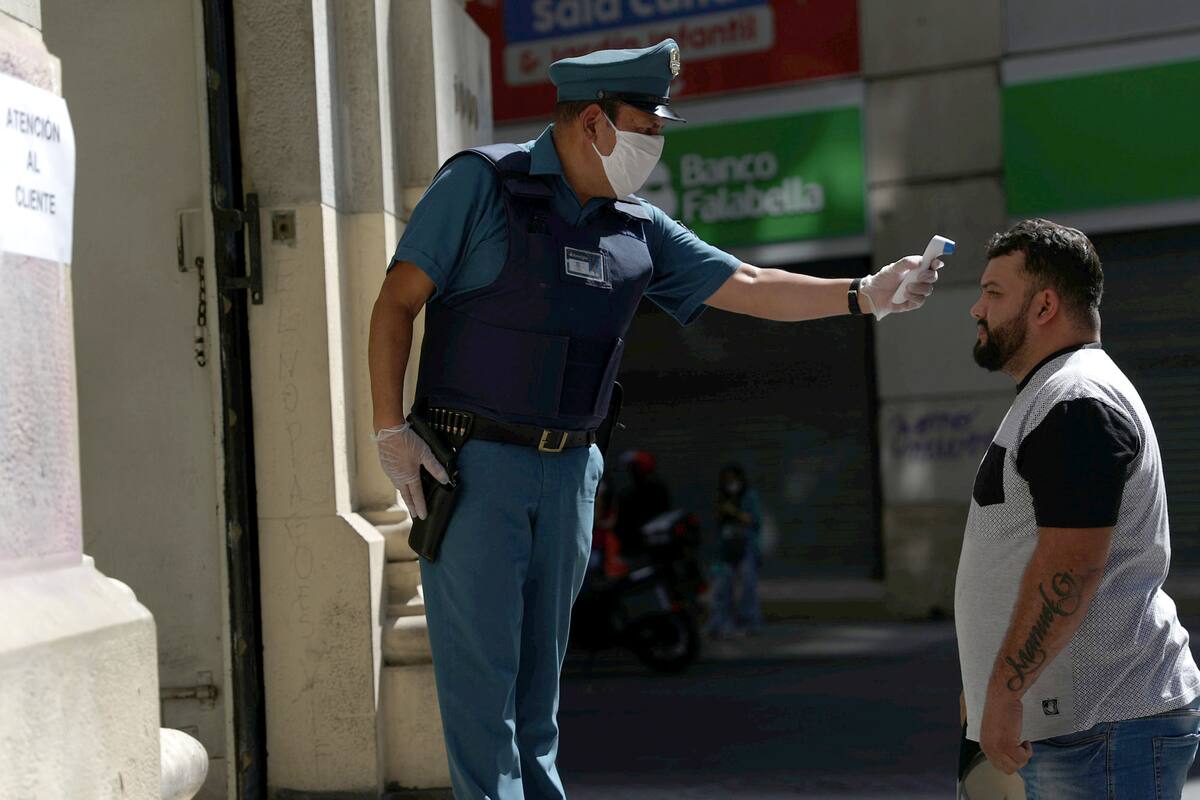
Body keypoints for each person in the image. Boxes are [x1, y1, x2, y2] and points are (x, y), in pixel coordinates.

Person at [369, 38, 941, 800]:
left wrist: (865, 292)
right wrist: (388, 431)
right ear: (593, 124)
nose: (657, 143)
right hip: (476, 471)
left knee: (538, 703)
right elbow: (395, 302)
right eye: (647, 126)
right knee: (484, 704)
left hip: (573, 471)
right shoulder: (482, 186)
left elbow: (747, 280)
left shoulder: (635, 226)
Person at [955, 218, 1200, 799]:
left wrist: (1007, 693)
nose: (976, 309)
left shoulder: (1075, 402)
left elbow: (1071, 566)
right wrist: (985, 678)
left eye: (993, 293)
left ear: (1043, 305)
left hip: (1100, 727)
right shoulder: (1056, 395)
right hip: (1078, 727)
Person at [707, 464, 763, 638]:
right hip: (726, 544)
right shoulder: (722, 498)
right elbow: (717, 523)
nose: (730, 483)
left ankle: (750, 622)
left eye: (733, 479)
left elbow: (754, 520)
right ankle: (721, 623)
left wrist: (734, 511)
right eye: (727, 480)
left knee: (748, 583)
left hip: (745, 542)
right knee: (724, 585)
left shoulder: (749, 496)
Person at [613, 449, 670, 557]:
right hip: (651, 547)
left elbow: (621, 525)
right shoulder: (660, 489)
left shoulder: (629, 496)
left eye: (632, 469)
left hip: (637, 547)